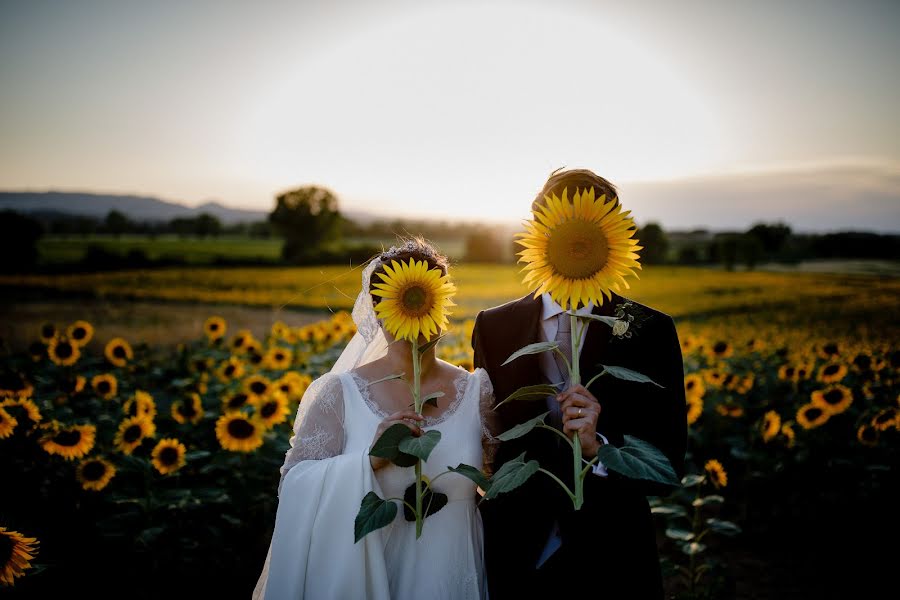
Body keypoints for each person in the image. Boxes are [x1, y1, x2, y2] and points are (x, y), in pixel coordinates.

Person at [472, 168, 688, 599]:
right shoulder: (495, 327)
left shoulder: (648, 330)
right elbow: (488, 438)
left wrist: (600, 447)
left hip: (612, 552)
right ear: (538, 234)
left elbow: (667, 462)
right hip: (516, 548)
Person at [252, 238, 499, 599]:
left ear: (441, 302)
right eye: (397, 300)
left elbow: (500, 484)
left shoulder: (477, 391)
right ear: (378, 310)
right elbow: (295, 484)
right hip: (375, 574)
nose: (413, 313)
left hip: (454, 570)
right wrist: (370, 461)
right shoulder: (341, 393)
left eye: (425, 298)